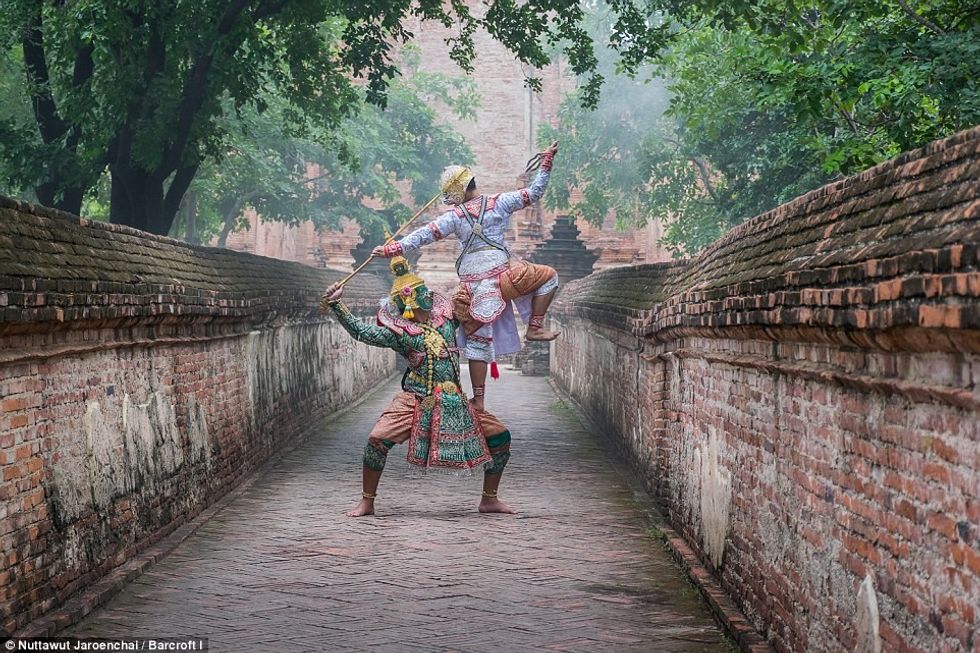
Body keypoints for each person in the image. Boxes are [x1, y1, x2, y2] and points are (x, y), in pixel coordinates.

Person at [321, 256, 516, 517]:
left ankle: (489, 499)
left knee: (501, 436)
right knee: (376, 441)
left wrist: (487, 276)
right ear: (409, 300)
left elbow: (475, 311)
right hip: (416, 398)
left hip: (454, 399)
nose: (429, 295)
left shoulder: (446, 319)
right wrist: (336, 304)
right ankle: (367, 501)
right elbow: (361, 332)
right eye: (423, 292)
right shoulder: (399, 332)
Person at [372, 143, 561, 411]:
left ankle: (480, 400)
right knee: (550, 277)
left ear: (458, 192)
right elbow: (535, 192)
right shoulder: (500, 202)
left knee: (477, 342)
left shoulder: (453, 217)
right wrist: (546, 164)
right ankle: (535, 325)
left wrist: (393, 249)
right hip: (503, 280)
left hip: (472, 289)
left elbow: (424, 234)